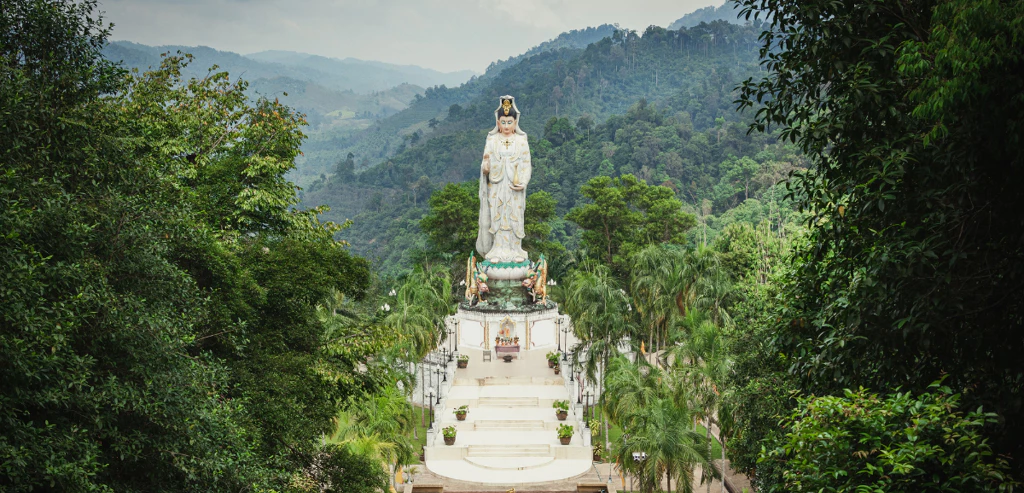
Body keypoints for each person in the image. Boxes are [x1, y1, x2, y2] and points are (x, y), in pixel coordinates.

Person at [476, 95, 531, 263]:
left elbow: (526, 164)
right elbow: (486, 164)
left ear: (515, 122)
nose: (506, 126)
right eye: (503, 122)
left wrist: (523, 182)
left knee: (515, 215)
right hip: (496, 185)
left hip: (514, 187)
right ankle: (497, 249)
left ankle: (516, 249)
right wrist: (485, 168)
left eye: (509, 122)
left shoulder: (521, 141)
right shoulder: (492, 140)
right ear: (498, 123)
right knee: (497, 217)